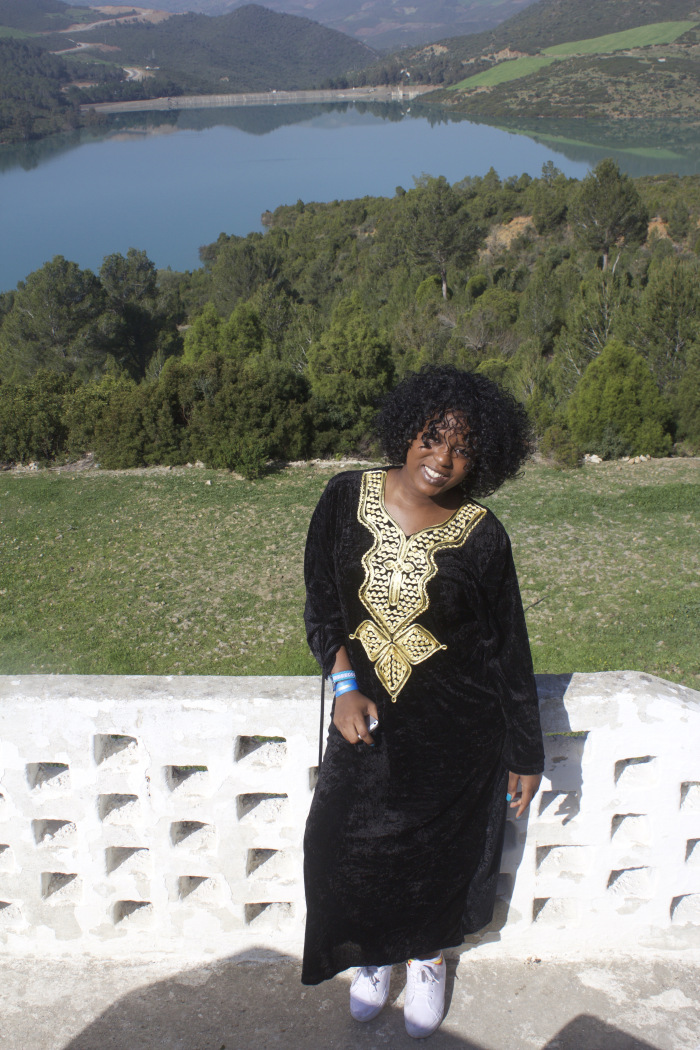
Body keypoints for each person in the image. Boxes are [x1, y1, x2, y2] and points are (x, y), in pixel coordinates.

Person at [301, 364, 544, 1039]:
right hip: (368, 724)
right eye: (432, 437)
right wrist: (344, 685)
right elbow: (321, 604)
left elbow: (508, 648)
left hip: (459, 732)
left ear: (483, 458)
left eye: (463, 448)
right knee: (340, 847)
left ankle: (428, 958)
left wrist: (526, 752)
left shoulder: (483, 534)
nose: (442, 458)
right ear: (406, 431)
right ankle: (373, 956)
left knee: (440, 858)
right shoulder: (344, 497)